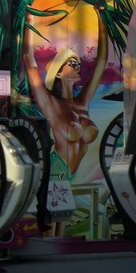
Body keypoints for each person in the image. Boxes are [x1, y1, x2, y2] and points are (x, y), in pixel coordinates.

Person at [23, 10, 107, 185]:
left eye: (78, 64)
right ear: (59, 73)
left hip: (73, 176)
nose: (77, 67)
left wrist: (102, 19)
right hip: (56, 170)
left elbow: (101, 62)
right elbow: (29, 61)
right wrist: (29, 23)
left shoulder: (82, 102)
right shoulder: (50, 103)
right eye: (72, 63)